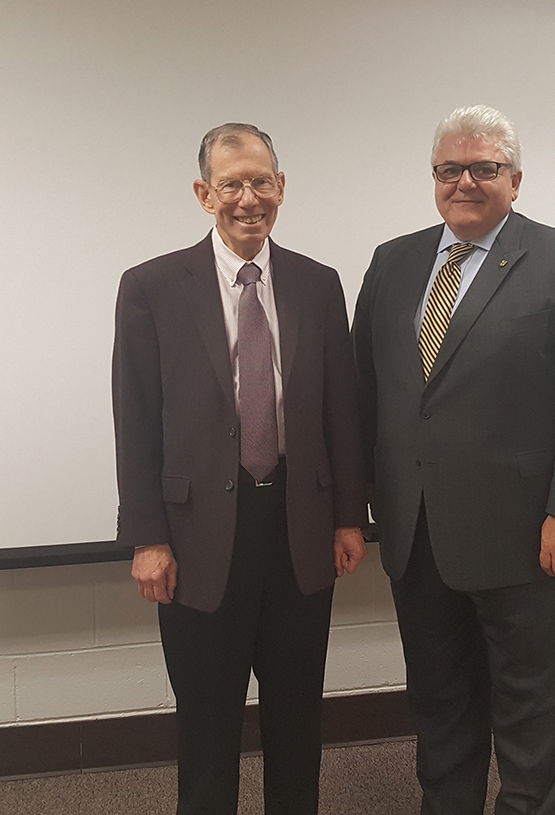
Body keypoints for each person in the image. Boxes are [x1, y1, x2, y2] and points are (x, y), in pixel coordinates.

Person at [353, 105, 555, 815]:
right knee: (440, 705)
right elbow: (368, 392)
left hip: (532, 541)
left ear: (515, 180)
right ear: (435, 177)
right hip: (419, 541)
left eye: (485, 168)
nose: (466, 182)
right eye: (451, 169)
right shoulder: (393, 263)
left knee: (533, 715)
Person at [112, 123, 368, 815]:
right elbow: (134, 421)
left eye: (261, 182)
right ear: (204, 194)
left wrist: (350, 517)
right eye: (231, 184)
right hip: (196, 540)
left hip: (298, 528)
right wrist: (147, 538)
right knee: (206, 724)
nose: (248, 198)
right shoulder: (152, 287)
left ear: (281, 187)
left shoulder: (319, 284)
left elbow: (340, 409)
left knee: (297, 719)